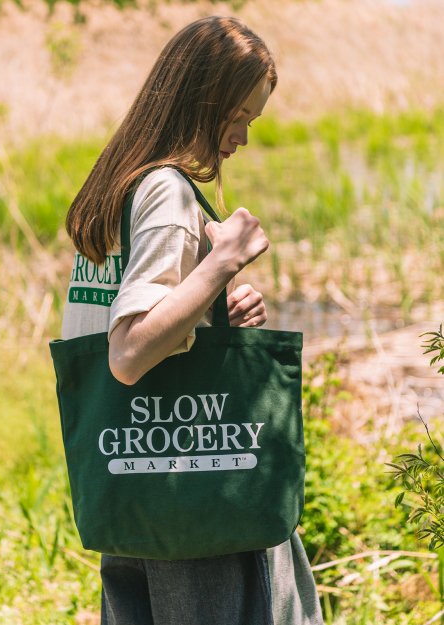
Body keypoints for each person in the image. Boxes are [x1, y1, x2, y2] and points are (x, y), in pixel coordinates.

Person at [61, 15, 324, 625]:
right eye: (240, 118)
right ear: (202, 102)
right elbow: (127, 353)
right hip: (200, 489)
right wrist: (222, 262)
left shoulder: (118, 188)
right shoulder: (168, 193)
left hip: (133, 478)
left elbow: (120, 322)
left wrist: (210, 309)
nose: (243, 138)